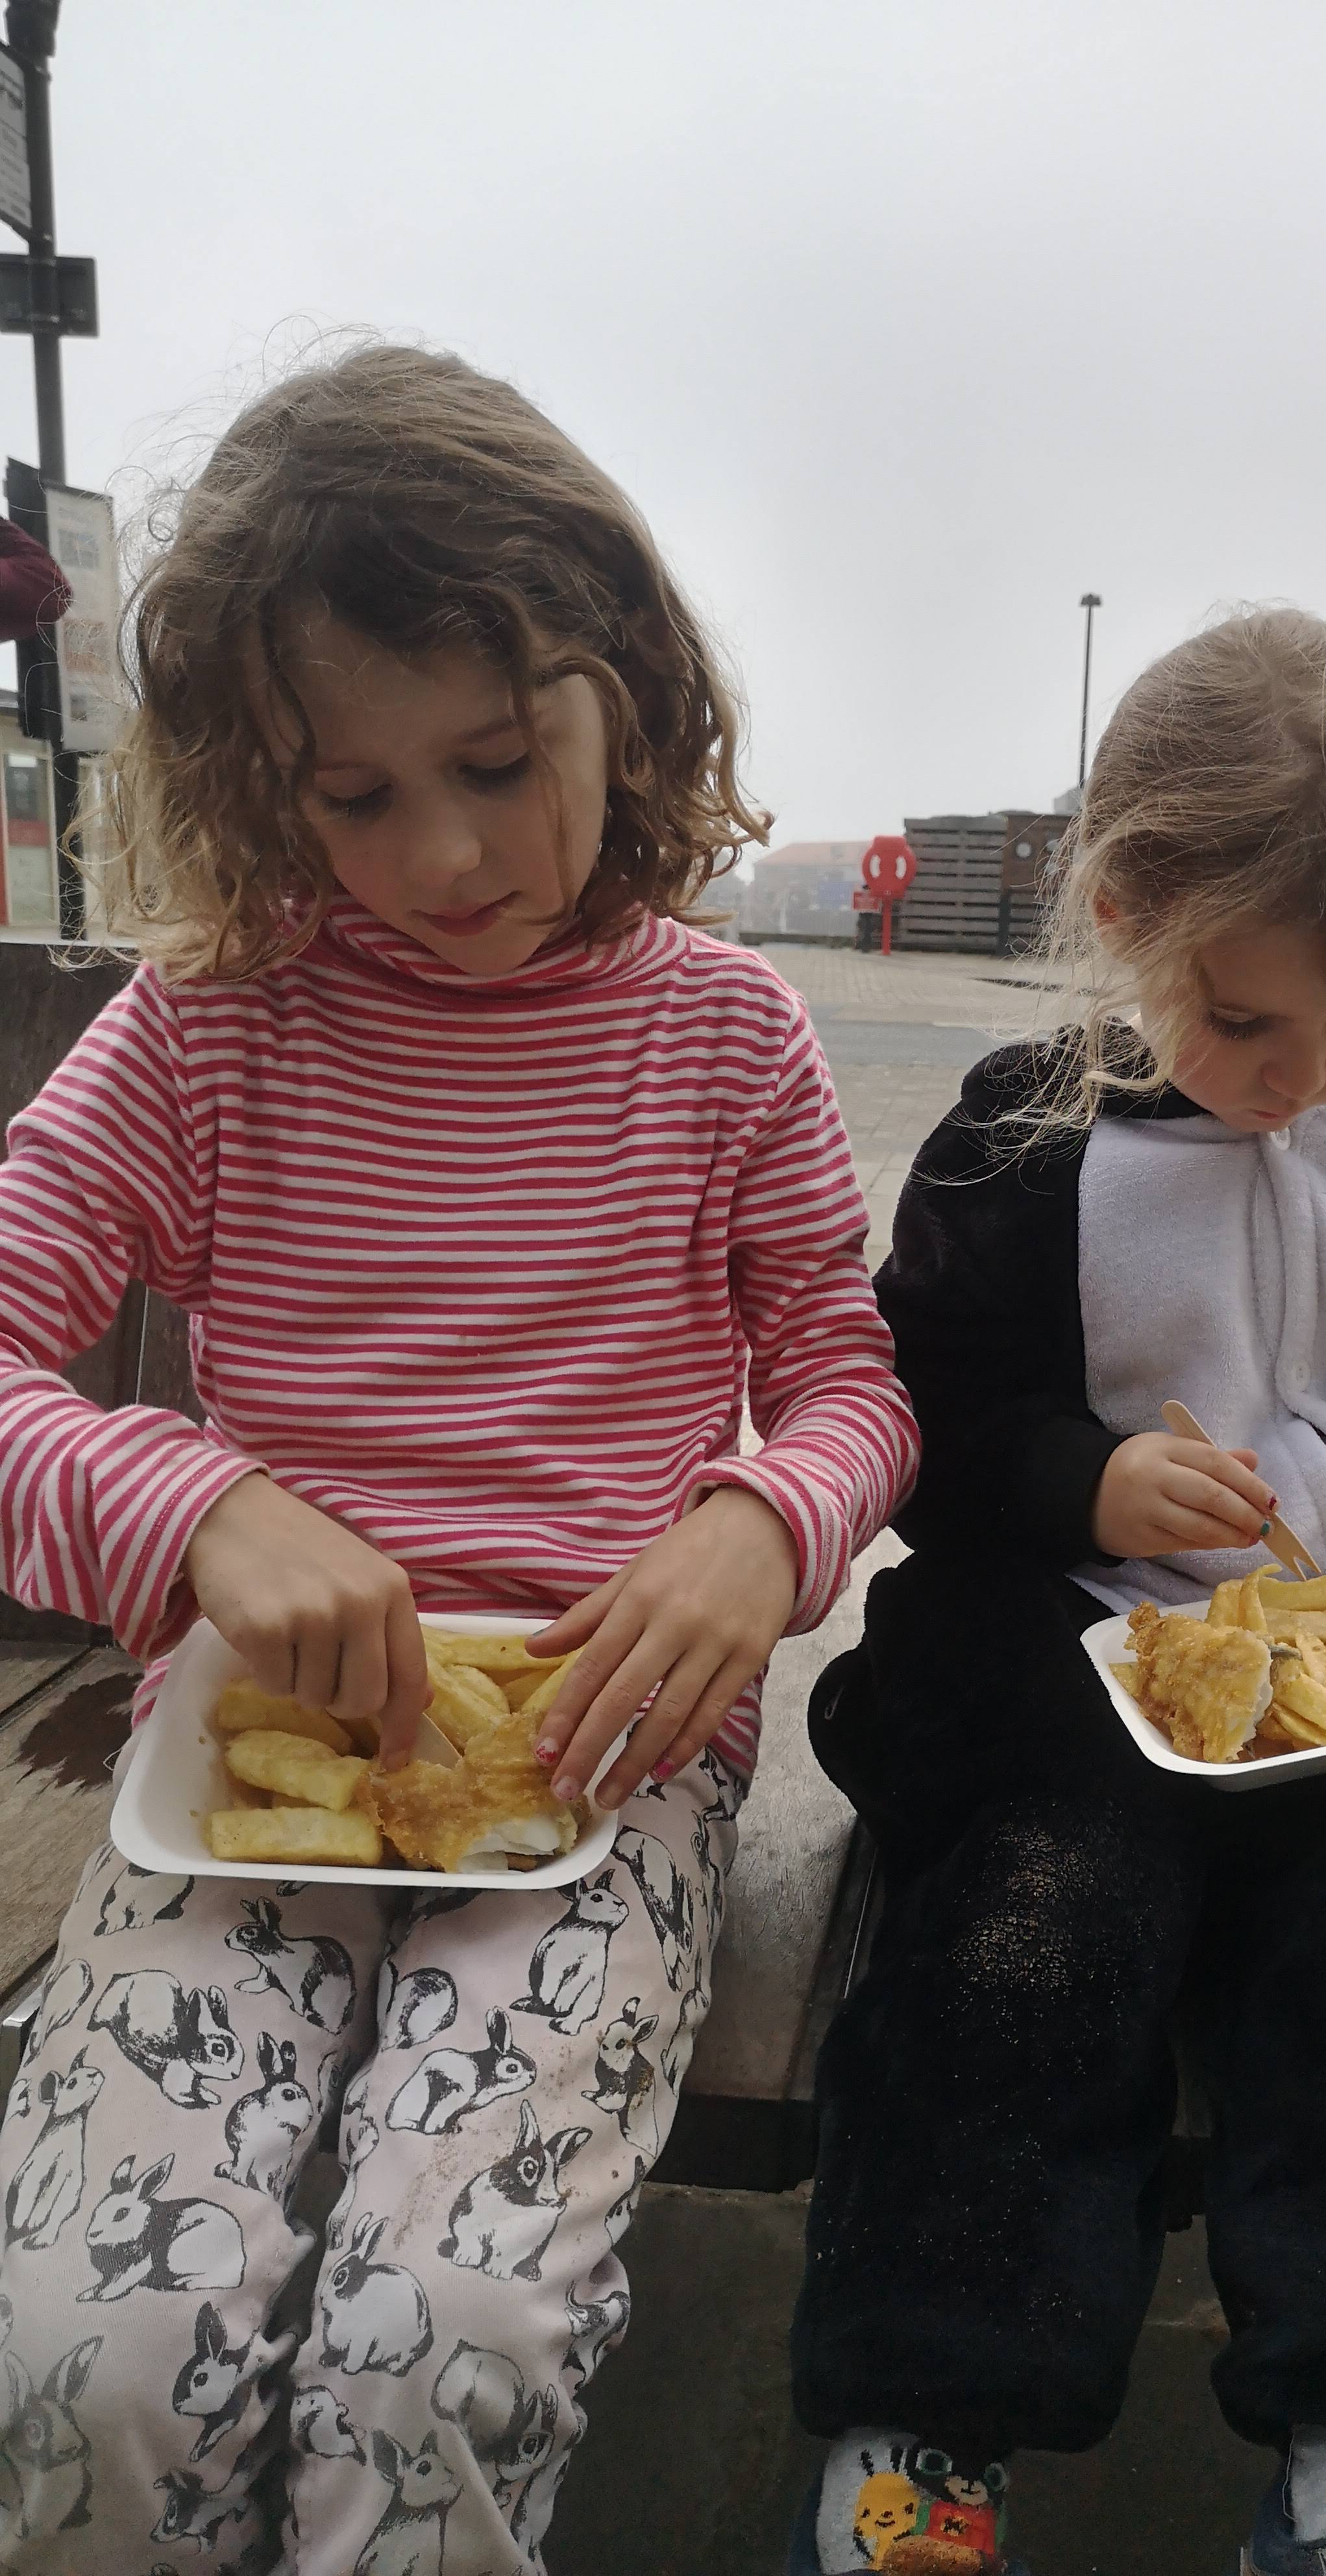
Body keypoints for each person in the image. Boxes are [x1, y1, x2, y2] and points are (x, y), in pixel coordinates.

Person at [0, 345, 916, 2575]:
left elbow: (854, 1385)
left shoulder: (725, 1037)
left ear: (627, 682)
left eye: (500, 764)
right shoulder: (210, 1024)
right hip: (241, 1754)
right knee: (77, 2359)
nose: (444, 858)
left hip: (606, 1750)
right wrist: (189, 1497)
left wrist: (759, 1525)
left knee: (437, 2346)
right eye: (352, 798)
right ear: (259, 787)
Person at [787, 609, 1326, 2576]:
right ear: (1126, 910)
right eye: (1242, 1020)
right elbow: (928, 1405)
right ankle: (932, 2406)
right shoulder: (1023, 1131)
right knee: (1027, 1917)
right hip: (1058, 1641)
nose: (1297, 1073)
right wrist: (1087, 1471)